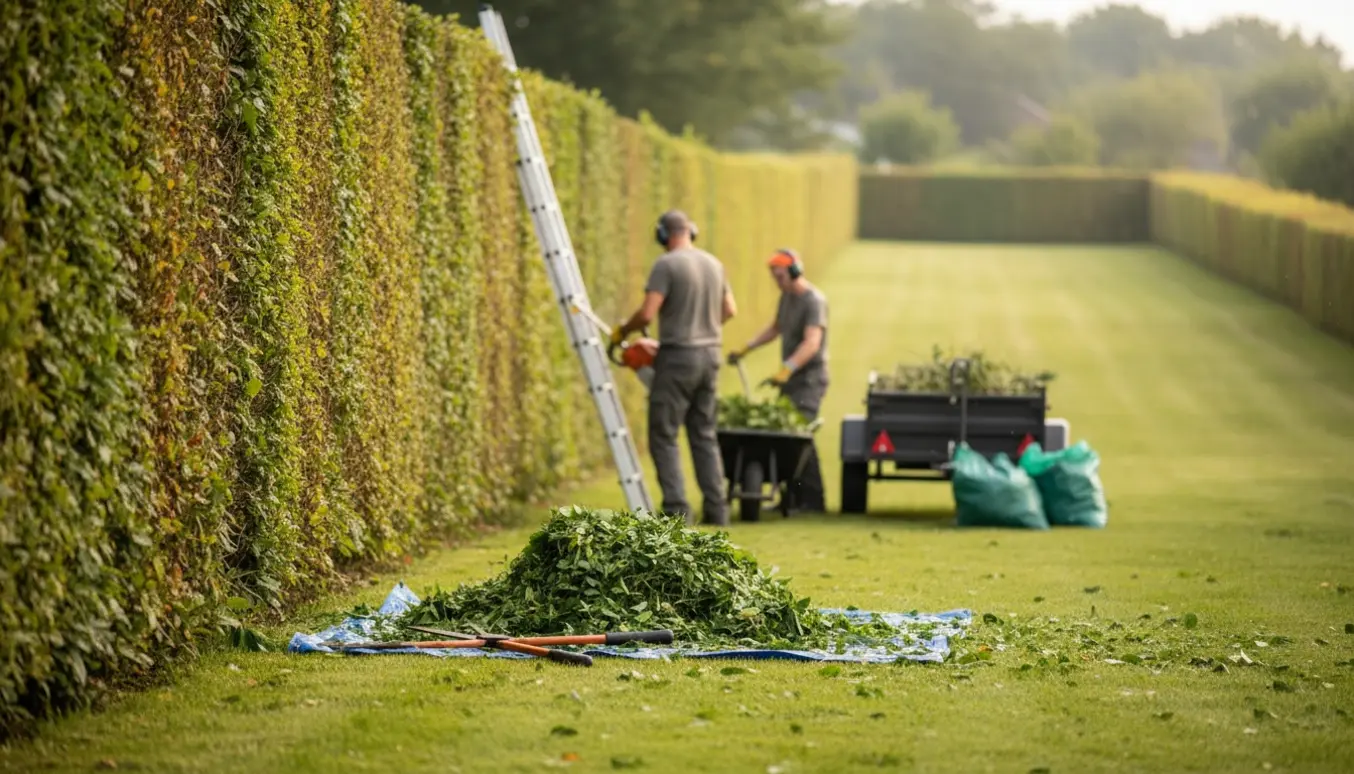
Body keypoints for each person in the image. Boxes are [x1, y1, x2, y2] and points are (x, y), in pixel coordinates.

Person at [613, 210, 737, 525]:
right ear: (690, 231)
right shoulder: (714, 263)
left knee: (664, 434)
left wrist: (623, 332)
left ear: (664, 235)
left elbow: (646, 314)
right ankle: (717, 509)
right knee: (704, 433)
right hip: (710, 356)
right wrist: (702, 328)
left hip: (678, 358)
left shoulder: (666, 265)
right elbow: (729, 310)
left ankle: (677, 511)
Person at [727, 248, 828, 513]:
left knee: (800, 435)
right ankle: (791, 499)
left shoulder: (813, 300)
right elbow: (775, 328)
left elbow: (812, 342)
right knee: (787, 439)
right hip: (791, 380)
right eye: (774, 275)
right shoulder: (786, 298)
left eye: (780, 274)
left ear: (795, 270)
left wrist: (787, 368)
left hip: (810, 380)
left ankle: (813, 500)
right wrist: (747, 348)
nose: (776, 280)